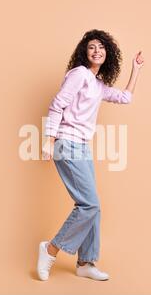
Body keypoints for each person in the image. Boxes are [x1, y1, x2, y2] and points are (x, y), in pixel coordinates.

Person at [38, 29, 144, 281]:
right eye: (91, 47)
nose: (97, 51)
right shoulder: (79, 75)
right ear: (84, 53)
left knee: (93, 207)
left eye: (101, 48)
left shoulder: (97, 84)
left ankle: (86, 262)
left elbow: (124, 97)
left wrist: (136, 69)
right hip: (67, 143)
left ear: (108, 54)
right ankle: (50, 249)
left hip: (83, 147)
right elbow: (57, 104)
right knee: (90, 205)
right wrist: (48, 140)